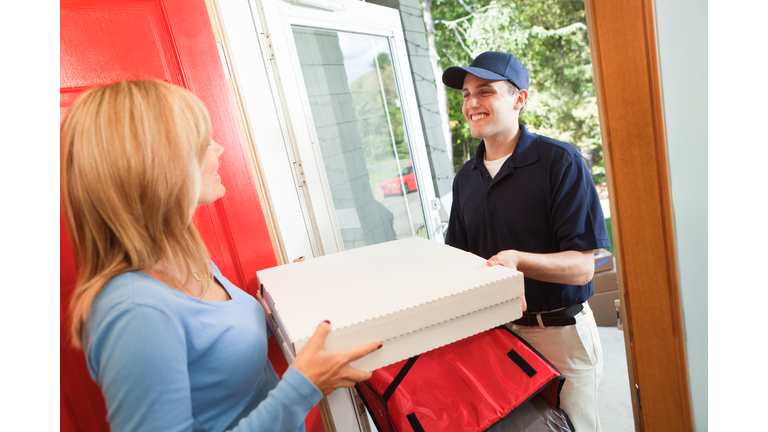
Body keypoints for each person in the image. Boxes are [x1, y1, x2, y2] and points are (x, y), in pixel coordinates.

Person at [61, 79, 382, 432]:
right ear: (159, 168)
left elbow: (216, 344)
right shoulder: (135, 310)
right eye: (203, 142)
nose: (220, 148)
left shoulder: (185, 260)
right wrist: (303, 388)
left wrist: (284, 296)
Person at [442, 51, 611, 431]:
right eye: (466, 94)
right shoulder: (465, 179)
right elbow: (460, 261)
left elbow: (582, 267)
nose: (472, 104)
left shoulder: (561, 162)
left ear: (519, 99)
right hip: (499, 337)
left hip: (560, 335)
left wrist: (518, 260)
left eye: (485, 92)